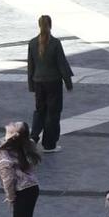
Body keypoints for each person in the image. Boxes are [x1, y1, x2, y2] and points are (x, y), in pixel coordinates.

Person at [27, 16, 74, 154]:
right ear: (50, 25)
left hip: (38, 82)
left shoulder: (32, 43)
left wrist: (31, 84)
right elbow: (62, 64)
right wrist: (68, 82)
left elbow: (31, 66)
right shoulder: (55, 43)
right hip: (53, 82)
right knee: (53, 113)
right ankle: (49, 144)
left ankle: (33, 138)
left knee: (40, 110)